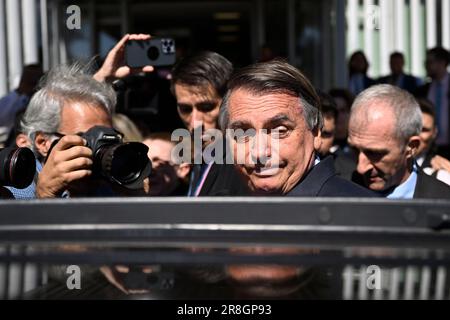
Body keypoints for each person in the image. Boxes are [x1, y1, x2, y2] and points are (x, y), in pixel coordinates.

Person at [218, 59, 374, 197]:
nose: (259, 153)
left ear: (316, 132)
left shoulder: (366, 217)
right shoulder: (218, 214)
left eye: (279, 131)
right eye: (242, 133)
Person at [15, 63, 120, 199]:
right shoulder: (14, 193)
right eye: (88, 139)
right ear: (42, 142)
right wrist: (45, 196)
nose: (99, 150)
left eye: (106, 138)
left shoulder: (108, 185)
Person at [347, 84, 450, 199]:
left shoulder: (444, 202)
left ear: (411, 147)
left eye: (374, 153)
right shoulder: (336, 191)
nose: (361, 167)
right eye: (354, 150)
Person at [416, 47, 450, 158]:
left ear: (442, 63)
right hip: (428, 148)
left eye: (430, 62)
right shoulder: (422, 90)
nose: (426, 66)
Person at [0, 64, 43, 146]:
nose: (33, 84)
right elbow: (2, 118)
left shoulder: (47, 100)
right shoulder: (18, 100)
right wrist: (20, 91)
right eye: (29, 80)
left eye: (35, 79)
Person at [415, 98, 450, 185]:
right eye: (413, 128)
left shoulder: (443, 171)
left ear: (434, 133)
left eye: (424, 130)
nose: (416, 136)